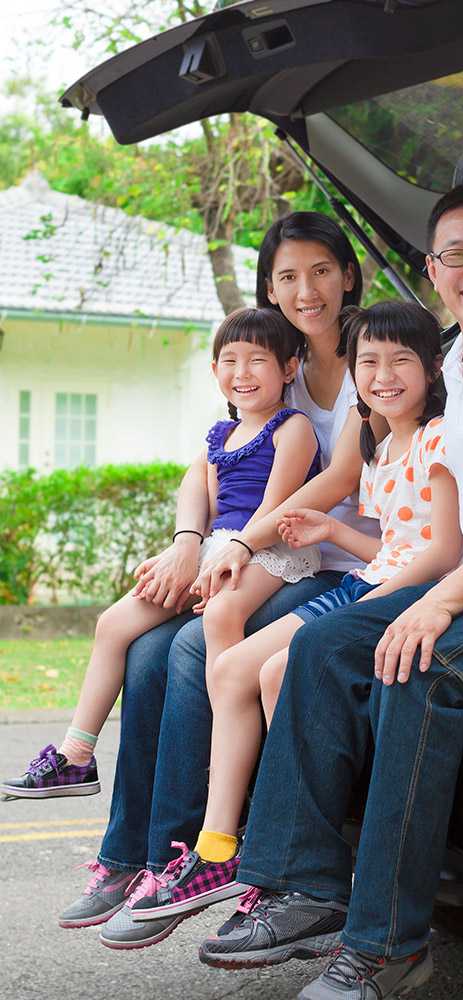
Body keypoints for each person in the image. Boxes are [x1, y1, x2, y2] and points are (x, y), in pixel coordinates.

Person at [197, 183, 463, 1000]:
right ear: (432, 268)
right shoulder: (451, 357)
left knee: (410, 666)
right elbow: (391, 469)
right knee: (316, 645)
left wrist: (440, 599)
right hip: (455, 571)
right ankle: (303, 886)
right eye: (456, 254)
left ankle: (386, 948)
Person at [54, 212, 382, 951]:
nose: (307, 289)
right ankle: (126, 857)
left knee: (191, 652)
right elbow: (205, 470)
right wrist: (187, 542)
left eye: (321, 271)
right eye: (288, 276)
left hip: (338, 562)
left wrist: (238, 540)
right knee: (141, 651)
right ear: (269, 286)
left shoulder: (372, 356)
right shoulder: (269, 360)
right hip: (256, 558)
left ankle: (186, 855)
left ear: (348, 275)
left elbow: (337, 478)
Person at [124, 300, 463, 924]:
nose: (383, 375)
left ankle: (297, 846)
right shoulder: (380, 447)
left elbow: (444, 551)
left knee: (278, 671)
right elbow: (394, 545)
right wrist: (325, 534)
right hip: (368, 579)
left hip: (384, 593)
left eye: (400, 361)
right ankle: (220, 847)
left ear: (434, 368)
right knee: (230, 671)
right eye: (368, 362)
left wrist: (374, 588)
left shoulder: (439, 439)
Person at [1, 307, 322, 803]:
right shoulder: (219, 435)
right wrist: (186, 555)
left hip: (271, 548)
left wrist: (225, 556)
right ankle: (76, 757)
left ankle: (227, 751)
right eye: (229, 360)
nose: (242, 373)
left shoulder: (292, 428)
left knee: (221, 614)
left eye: (257, 360)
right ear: (215, 370)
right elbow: (210, 510)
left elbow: (274, 509)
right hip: (221, 546)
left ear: (288, 368)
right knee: (114, 623)